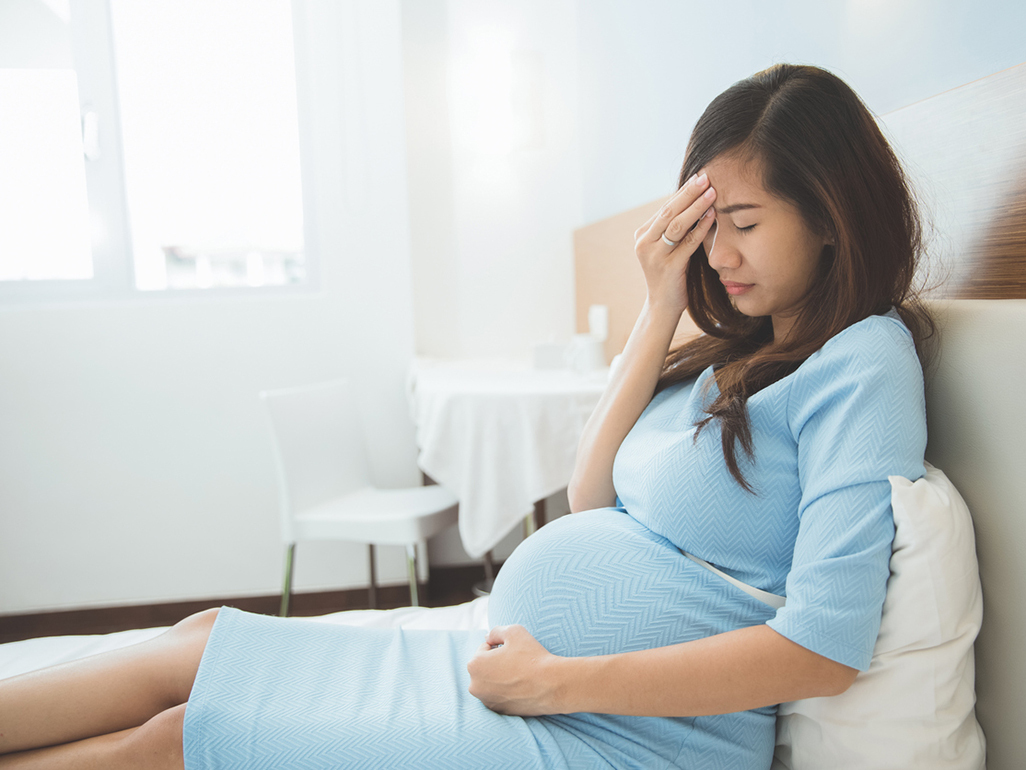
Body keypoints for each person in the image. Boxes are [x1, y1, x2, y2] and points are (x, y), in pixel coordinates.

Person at [0, 63, 932, 769]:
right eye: (702, 222)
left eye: (745, 221)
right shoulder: (740, 355)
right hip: (535, 687)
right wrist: (658, 308)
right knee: (201, 641)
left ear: (830, 215)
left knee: (183, 736)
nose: (717, 251)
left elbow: (823, 649)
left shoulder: (863, 362)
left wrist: (557, 679)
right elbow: (588, 493)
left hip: (624, 739)